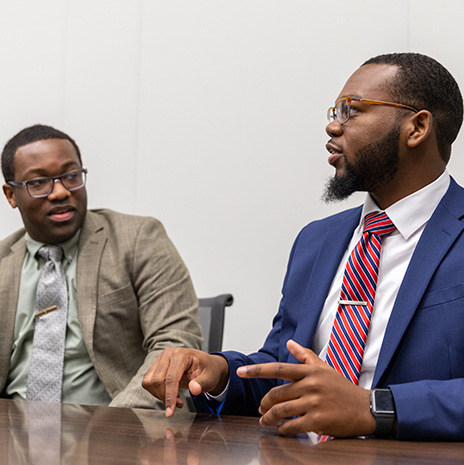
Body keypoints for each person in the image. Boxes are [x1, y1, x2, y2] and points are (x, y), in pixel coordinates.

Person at [142, 52, 464, 441]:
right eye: (334, 111)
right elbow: (282, 370)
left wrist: (373, 407)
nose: (332, 126)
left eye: (351, 110)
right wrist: (219, 372)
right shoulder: (317, 241)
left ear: (417, 127)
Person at [0, 124, 202, 408]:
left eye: (71, 176)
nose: (59, 192)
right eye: (38, 182)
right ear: (11, 195)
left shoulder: (138, 239)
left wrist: (115, 424)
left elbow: (175, 341)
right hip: (12, 435)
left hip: (116, 429)